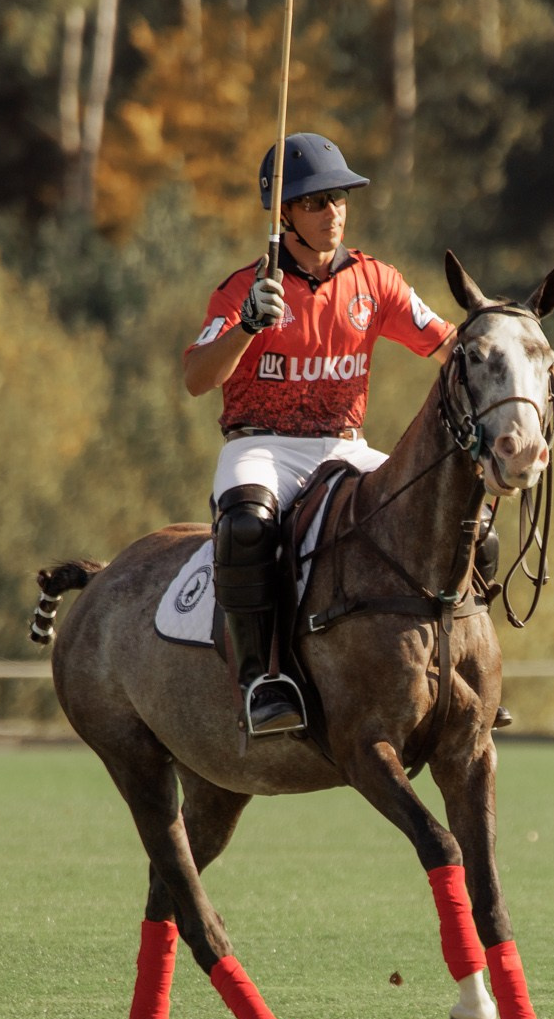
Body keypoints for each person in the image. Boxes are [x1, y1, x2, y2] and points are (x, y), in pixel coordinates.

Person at [183, 133, 458, 736]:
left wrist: (505, 349)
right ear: (284, 215)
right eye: (314, 202)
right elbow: (197, 378)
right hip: (262, 445)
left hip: (345, 445)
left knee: (456, 515)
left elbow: (451, 348)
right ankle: (261, 680)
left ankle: (460, 669)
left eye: (338, 198)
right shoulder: (244, 290)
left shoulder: (376, 283)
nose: (332, 212)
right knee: (245, 525)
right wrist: (247, 326)